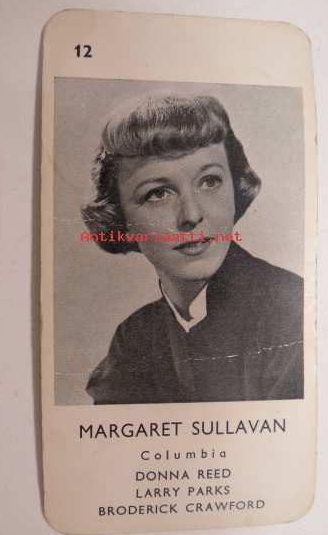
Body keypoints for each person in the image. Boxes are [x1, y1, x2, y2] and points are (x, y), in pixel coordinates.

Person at [82, 93, 303, 404]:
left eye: (209, 181)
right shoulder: (134, 338)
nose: (192, 214)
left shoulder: (291, 311)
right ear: (120, 218)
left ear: (235, 190)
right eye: (159, 193)